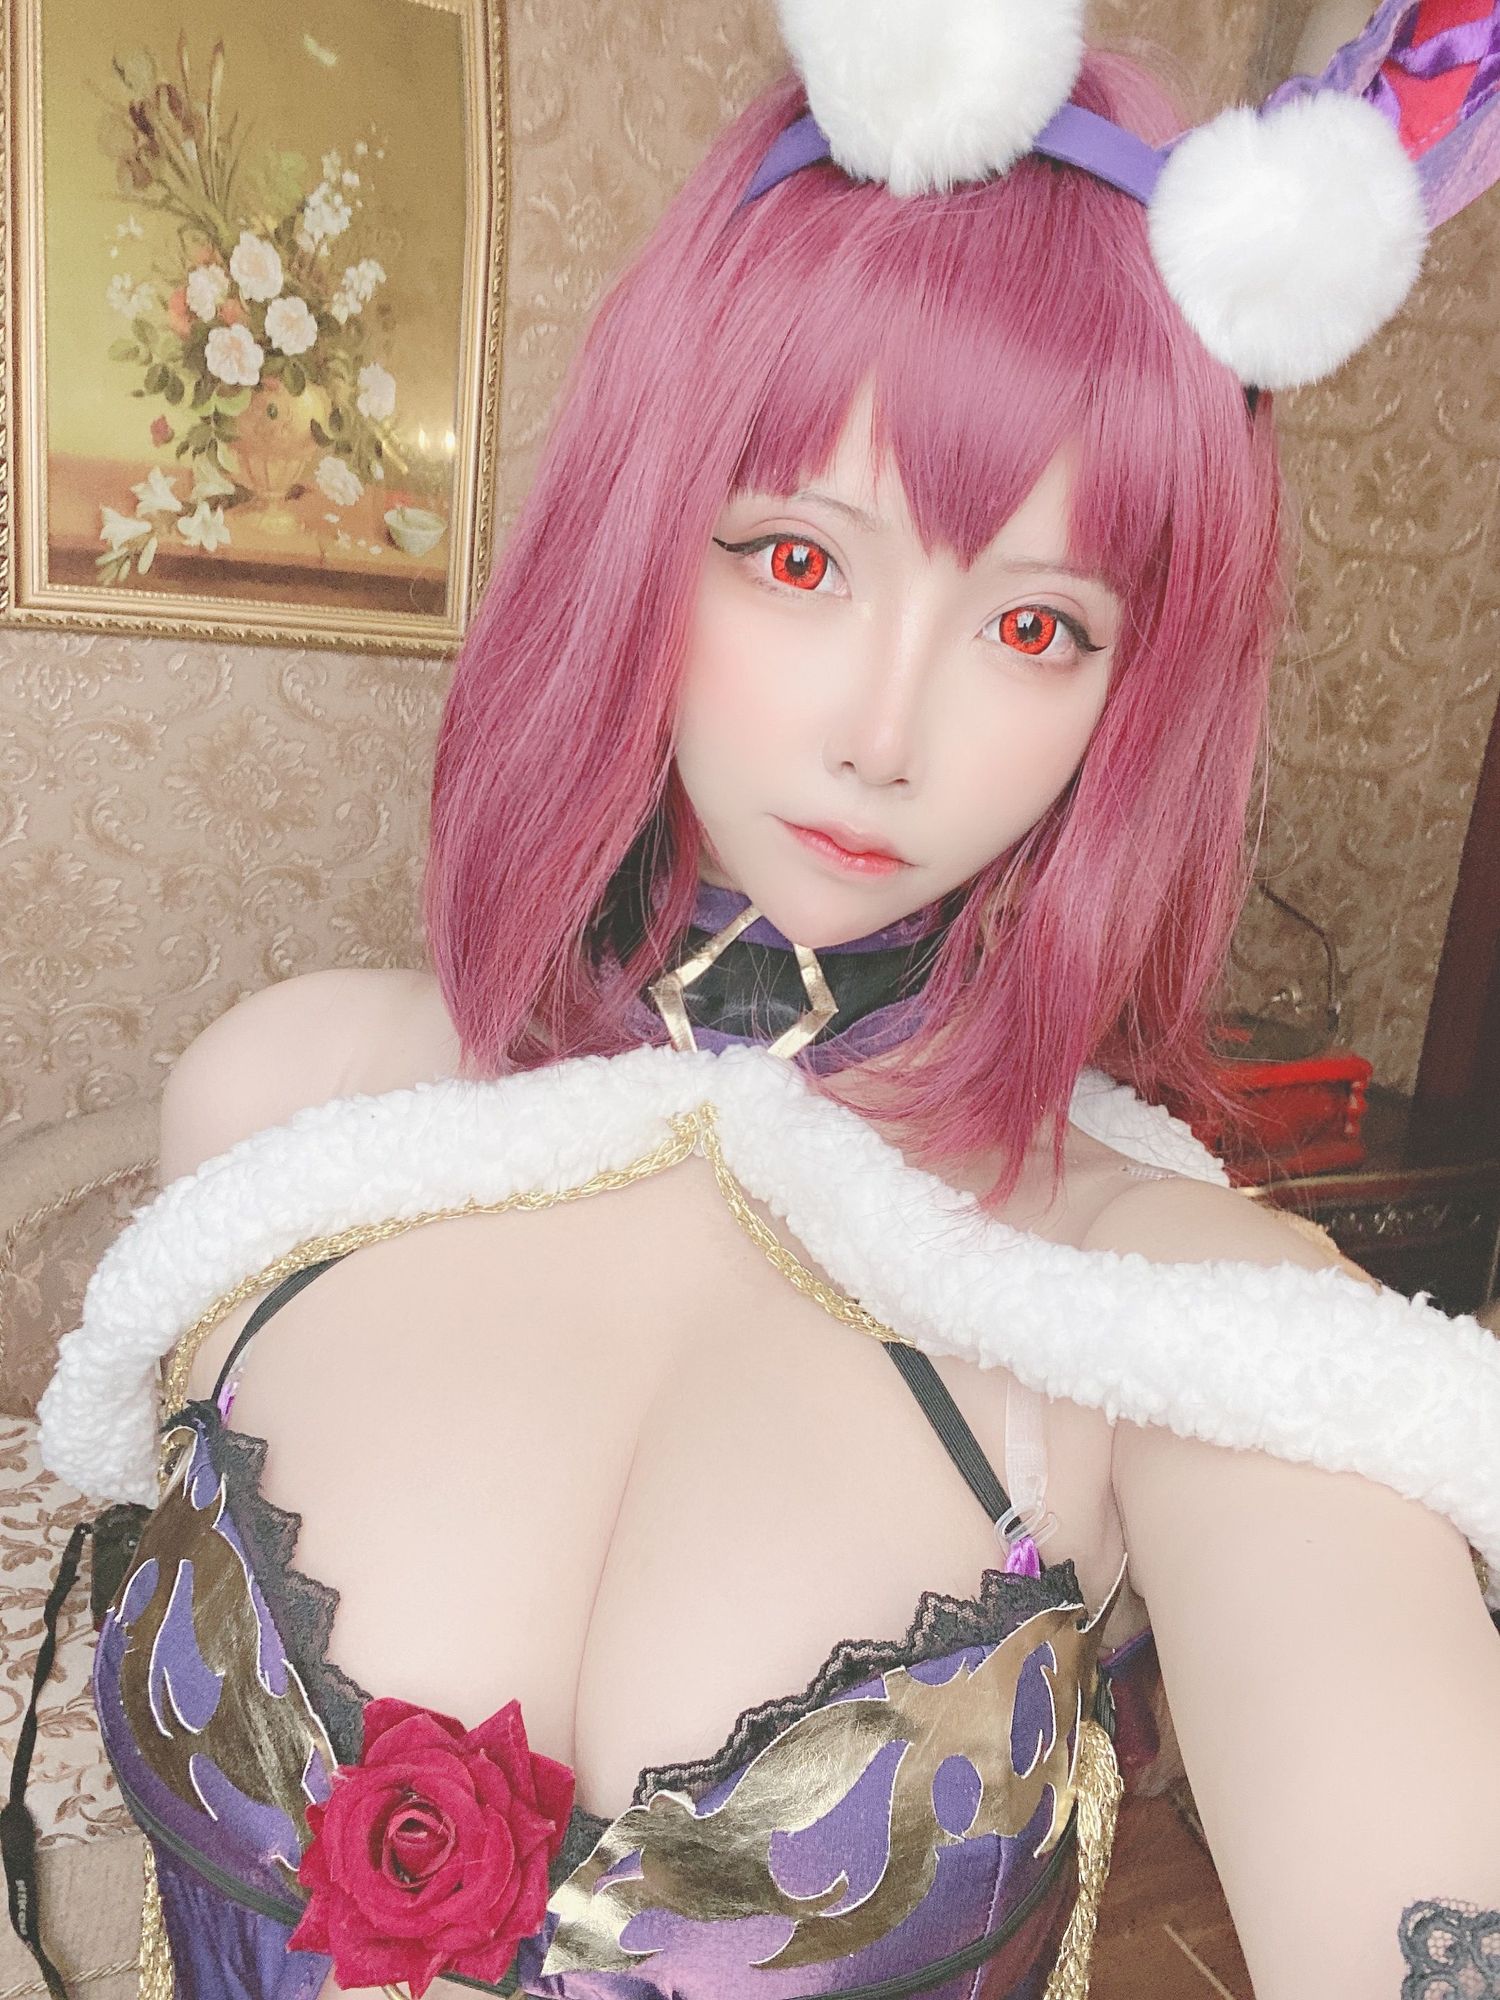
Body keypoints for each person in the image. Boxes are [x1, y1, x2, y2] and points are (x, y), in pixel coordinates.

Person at [26, 2, 1500, 1997]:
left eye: (1036, 624)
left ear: (1129, 695)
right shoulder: (290, 1098)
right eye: (800, 562)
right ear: (648, 535)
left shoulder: (1175, 1323)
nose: (889, 733)